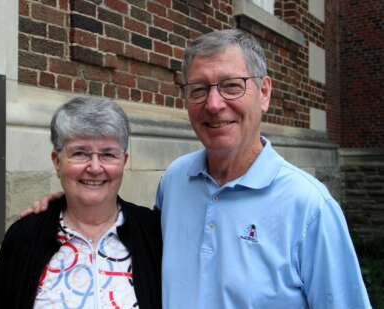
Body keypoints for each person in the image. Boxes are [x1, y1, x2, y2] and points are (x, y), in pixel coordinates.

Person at [26, 29, 371, 308]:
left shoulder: (309, 207)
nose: (214, 104)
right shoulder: (176, 181)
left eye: (231, 86)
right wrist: (70, 204)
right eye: (199, 89)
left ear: (263, 93)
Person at [0, 97, 162, 308]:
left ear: (124, 161)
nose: (95, 167)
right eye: (80, 153)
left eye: (108, 154)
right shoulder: (23, 239)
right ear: (57, 162)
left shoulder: (153, 233)